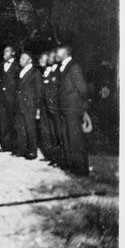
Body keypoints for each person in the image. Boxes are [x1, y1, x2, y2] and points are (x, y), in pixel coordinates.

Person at [56, 44, 89, 175]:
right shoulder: (61, 67)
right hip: (64, 109)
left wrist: (83, 108)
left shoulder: (74, 67)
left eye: (59, 52)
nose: (57, 54)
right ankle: (72, 166)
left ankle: (81, 169)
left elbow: (83, 89)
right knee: (67, 139)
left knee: (76, 140)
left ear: (66, 53)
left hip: (73, 109)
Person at [14, 52, 42, 160]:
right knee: (21, 128)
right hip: (20, 104)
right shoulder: (21, 71)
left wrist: (38, 108)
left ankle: (32, 151)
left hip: (30, 105)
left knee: (31, 128)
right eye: (21, 57)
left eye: (24, 58)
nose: (20, 59)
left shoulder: (35, 72)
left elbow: (39, 91)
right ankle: (22, 150)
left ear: (30, 60)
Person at [0, 46, 20, 153]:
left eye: (7, 51)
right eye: (4, 51)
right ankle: (5, 146)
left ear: (13, 53)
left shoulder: (18, 66)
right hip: (1, 98)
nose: (4, 53)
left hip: (13, 99)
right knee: (3, 122)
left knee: (14, 122)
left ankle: (16, 146)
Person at [40, 50, 62, 165]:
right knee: (48, 132)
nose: (48, 59)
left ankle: (58, 158)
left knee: (57, 133)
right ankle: (51, 155)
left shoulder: (58, 70)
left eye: (50, 57)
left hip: (55, 107)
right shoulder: (46, 71)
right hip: (46, 106)